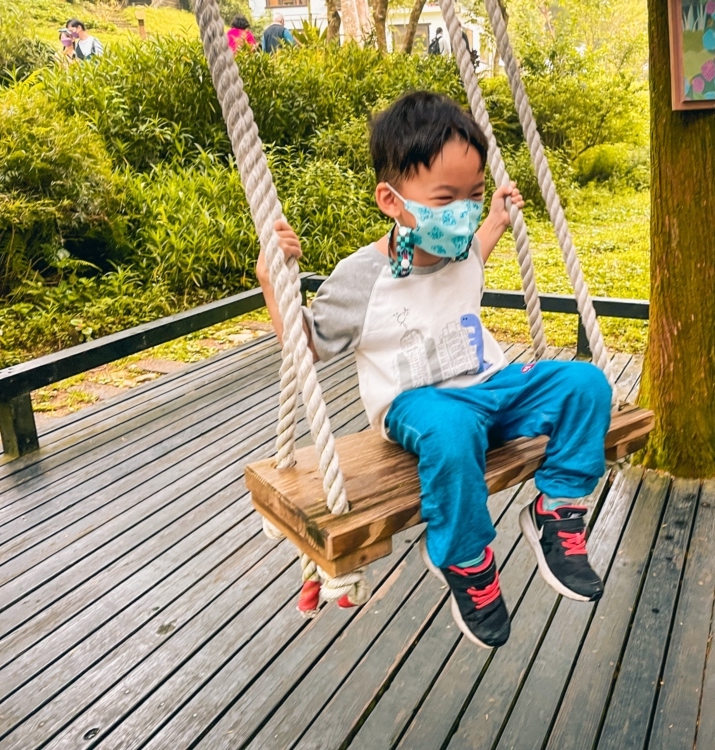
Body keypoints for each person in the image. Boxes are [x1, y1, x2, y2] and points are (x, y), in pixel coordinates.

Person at [255, 92, 610, 650]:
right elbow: (306, 345)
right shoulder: (361, 276)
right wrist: (272, 278)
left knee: (586, 384)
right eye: (447, 198)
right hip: (419, 403)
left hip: (492, 383)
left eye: (471, 196)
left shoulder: (461, 244)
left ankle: (557, 508)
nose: (462, 213)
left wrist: (493, 217)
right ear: (391, 200)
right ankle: (466, 559)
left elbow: (474, 256)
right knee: (452, 432)